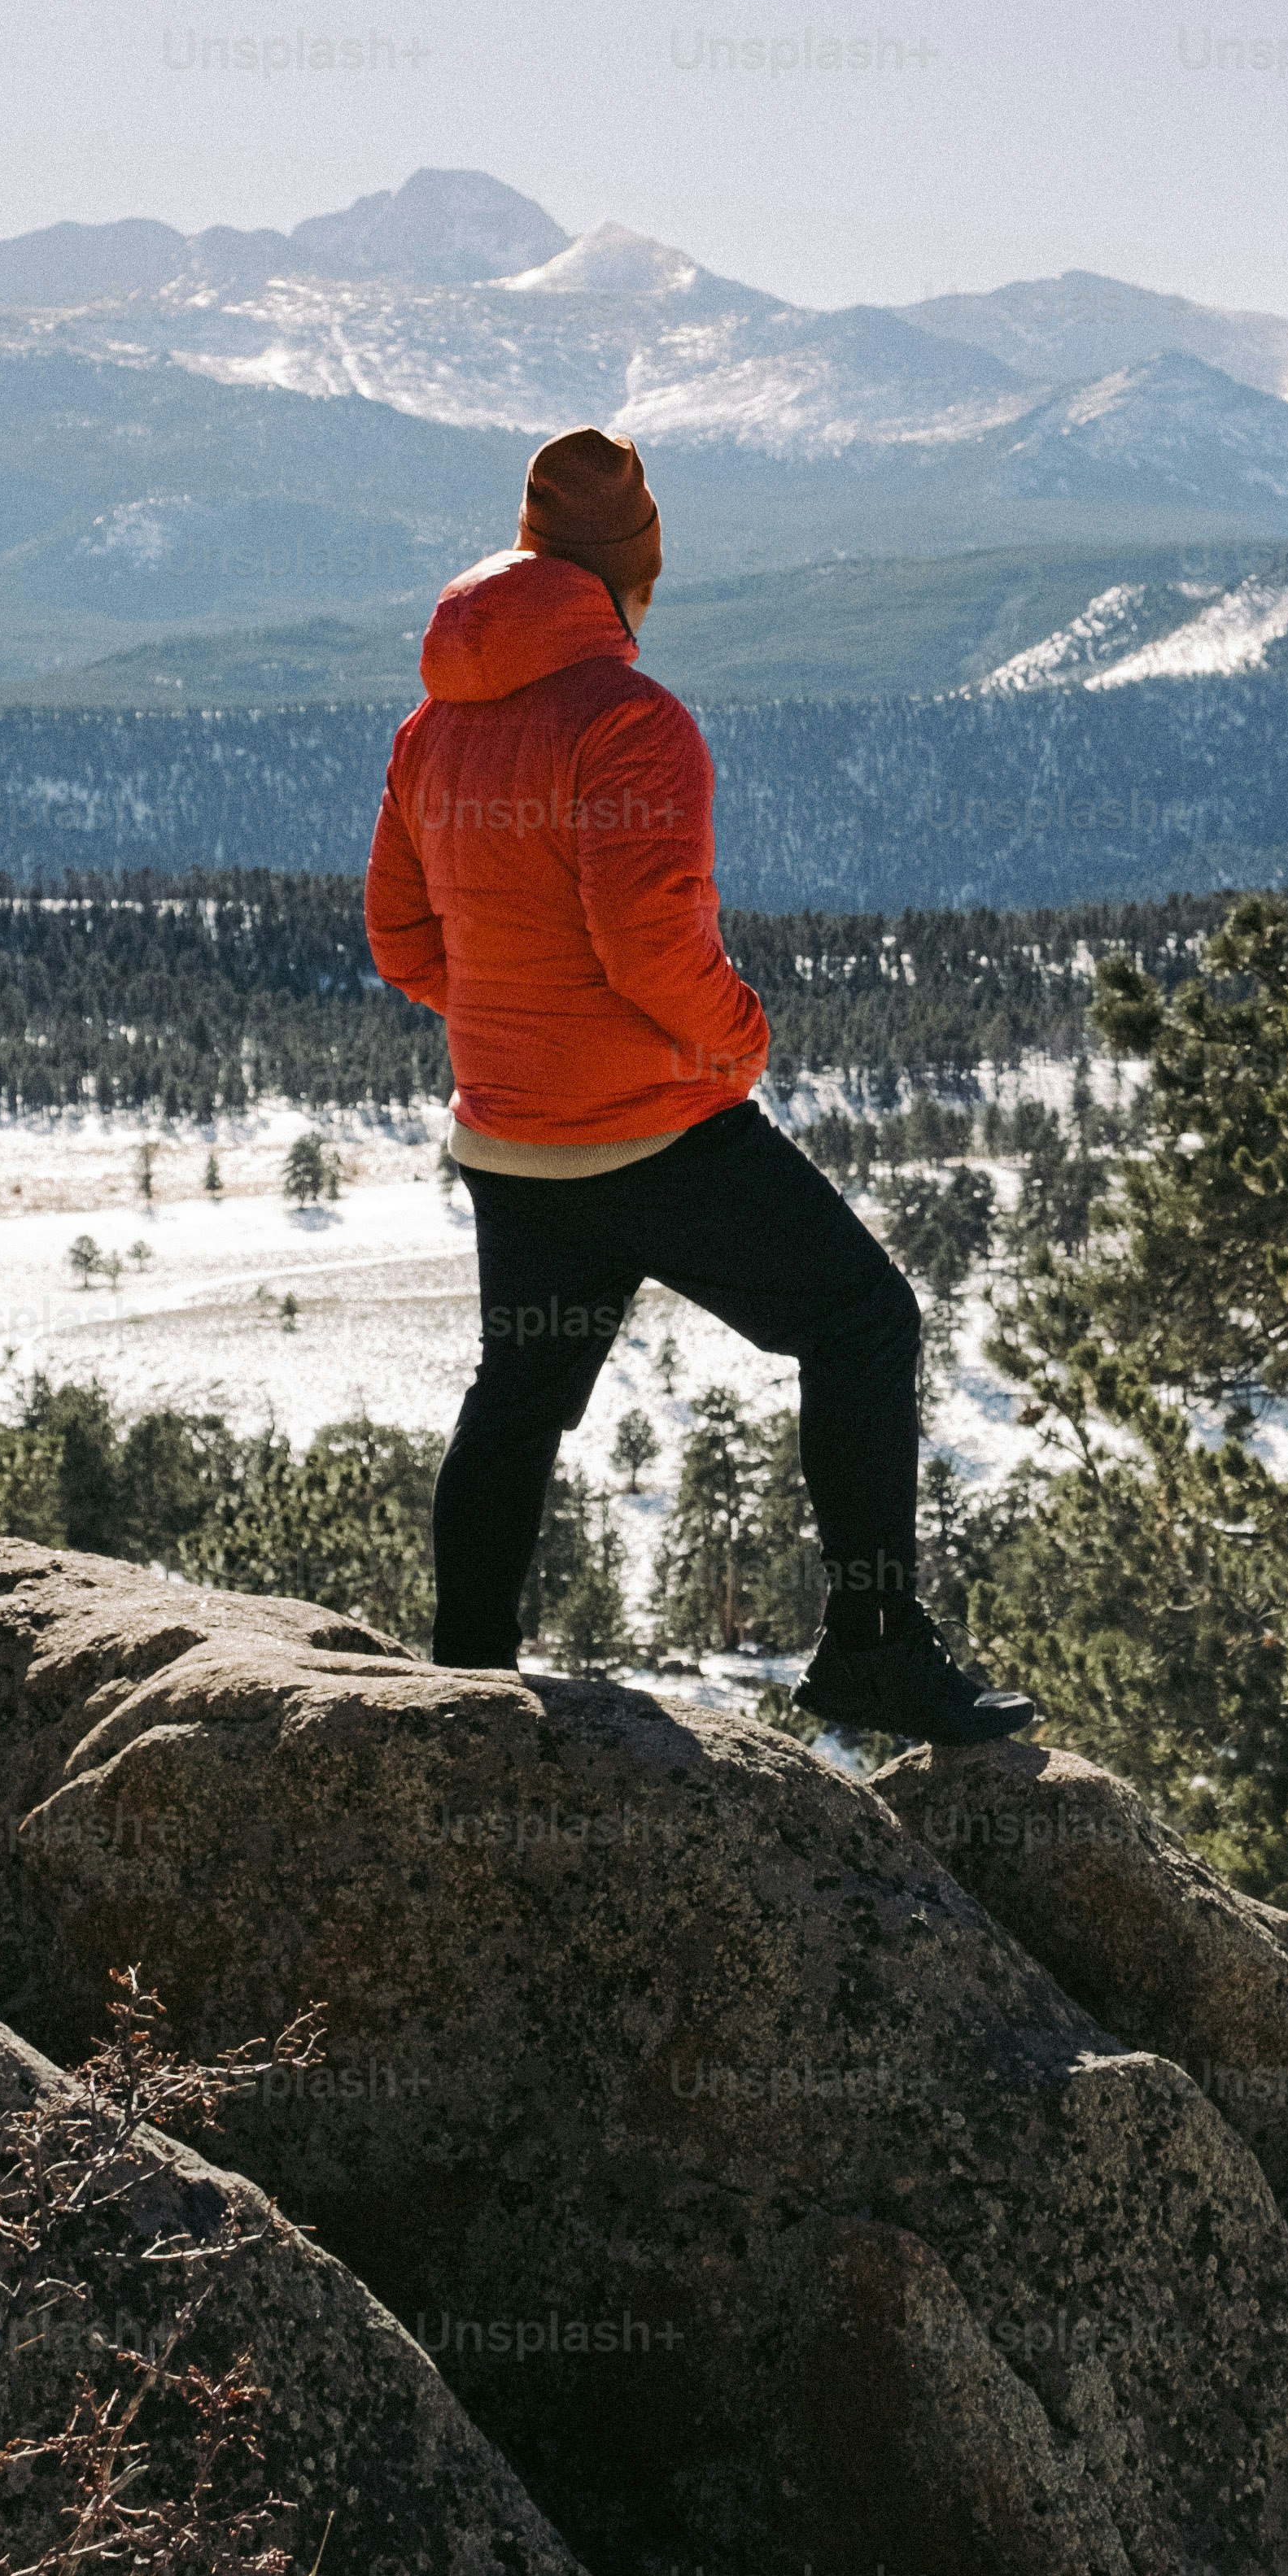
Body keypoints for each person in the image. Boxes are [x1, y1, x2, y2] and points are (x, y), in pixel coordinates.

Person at [365, 426, 1037, 1746]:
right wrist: (737, 1044)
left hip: (511, 1141)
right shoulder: (631, 720)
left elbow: (403, 943)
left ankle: (461, 1688)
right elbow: (649, 946)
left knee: (521, 1398)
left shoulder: (433, 727)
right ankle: (871, 1650)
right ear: (631, 575)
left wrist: (520, 1026)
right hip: (657, 1135)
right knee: (862, 1326)